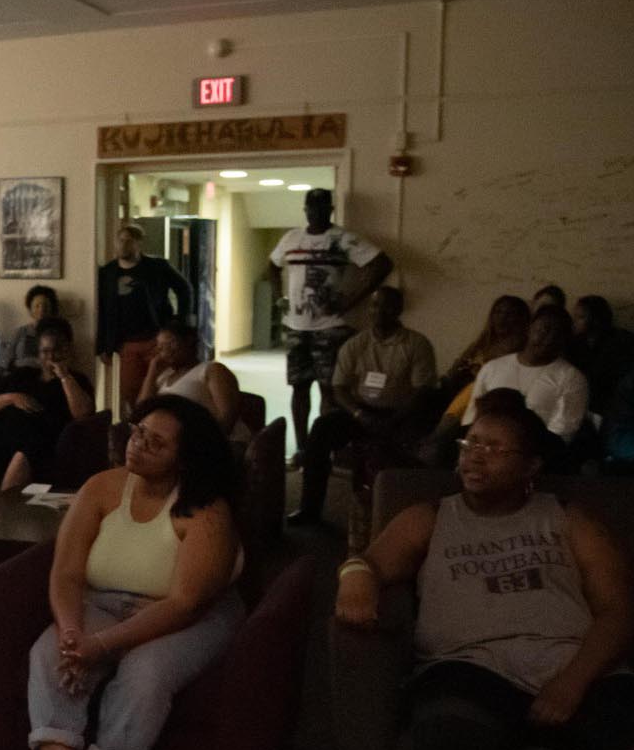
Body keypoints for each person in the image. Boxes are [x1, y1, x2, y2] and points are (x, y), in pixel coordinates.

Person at [335, 404, 634, 750]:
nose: (474, 457)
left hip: (570, 664)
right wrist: (355, 580)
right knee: (451, 747)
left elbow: (619, 612)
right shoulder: (430, 517)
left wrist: (572, 684)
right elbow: (368, 561)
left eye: (494, 448)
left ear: (531, 466)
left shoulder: (568, 518)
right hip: (469, 666)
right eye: (470, 444)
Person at [17, 396, 244, 750]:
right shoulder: (101, 487)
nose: (138, 445)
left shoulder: (205, 509)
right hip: (103, 601)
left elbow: (185, 603)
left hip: (187, 615)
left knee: (146, 672)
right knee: (47, 653)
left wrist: (99, 645)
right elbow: (66, 574)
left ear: (184, 458)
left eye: (156, 443)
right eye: (138, 432)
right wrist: (71, 635)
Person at [289, 287, 437, 526]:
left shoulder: (417, 344)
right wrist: (358, 413)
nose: (379, 312)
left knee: (416, 445)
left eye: (387, 306)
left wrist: (395, 419)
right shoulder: (355, 344)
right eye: (375, 306)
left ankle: (403, 513)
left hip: (401, 414)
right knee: (321, 430)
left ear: (398, 310)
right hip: (361, 412)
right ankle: (309, 509)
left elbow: (423, 391)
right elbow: (339, 387)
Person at [269, 187, 394, 463]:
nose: (316, 212)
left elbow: (382, 264)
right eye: (311, 207)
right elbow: (271, 265)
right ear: (305, 210)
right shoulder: (291, 238)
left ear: (330, 209)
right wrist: (280, 296)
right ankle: (303, 449)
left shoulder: (342, 239)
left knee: (330, 390)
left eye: (322, 207)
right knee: (299, 389)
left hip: (330, 327)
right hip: (296, 326)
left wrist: (351, 300)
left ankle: (323, 450)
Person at [0, 318, 95, 492]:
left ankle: (5, 505)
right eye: (45, 351)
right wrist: (12, 398)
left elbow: (83, 414)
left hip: (42, 443)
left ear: (67, 351)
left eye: (56, 350)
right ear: (38, 354)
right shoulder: (23, 374)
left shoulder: (77, 380)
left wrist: (64, 376)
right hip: (3, 438)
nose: (51, 357)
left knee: (25, 451)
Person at [464, 304, 588, 444]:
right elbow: (472, 417)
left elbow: (562, 434)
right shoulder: (492, 367)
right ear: (529, 329)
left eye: (557, 335)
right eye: (543, 330)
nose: (548, 340)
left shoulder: (572, 378)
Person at [96, 224, 189, 410]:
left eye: (128, 240)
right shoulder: (107, 273)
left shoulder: (157, 267)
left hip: (156, 339)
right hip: (126, 344)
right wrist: (102, 345)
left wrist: (180, 321)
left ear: (139, 243)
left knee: (163, 387)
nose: (123, 244)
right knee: (131, 392)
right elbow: (102, 310)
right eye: (120, 240)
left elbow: (184, 289)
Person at [138, 320, 244, 441]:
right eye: (161, 347)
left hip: (212, 441)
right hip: (172, 441)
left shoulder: (212, 370)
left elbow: (227, 418)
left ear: (188, 341)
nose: (166, 351)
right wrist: (152, 372)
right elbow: (141, 410)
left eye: (170, 343)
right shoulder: (163, 377)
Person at [567, 294, 634, 420]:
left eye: (580, 317)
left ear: (596, 319)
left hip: (609, 410)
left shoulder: (620, 343)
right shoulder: (575, 345)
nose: (574, 322)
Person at [4, 285, 61, 375]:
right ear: (30, 308)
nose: (41, 309)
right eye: (37, 305)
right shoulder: (20, 332)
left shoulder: (58, 334)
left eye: (45, 305)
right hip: (19, 378)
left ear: (52, 309)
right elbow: (6, 361)